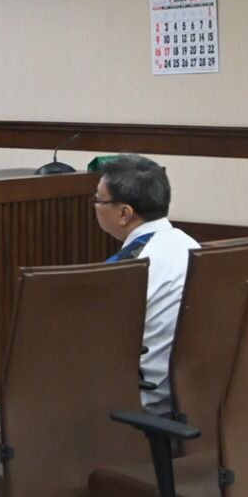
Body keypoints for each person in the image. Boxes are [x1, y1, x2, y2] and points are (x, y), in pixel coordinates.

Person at [94, 154, 200, 415]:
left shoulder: (127, 269)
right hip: (193, 399)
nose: (95, 206)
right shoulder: (193, 247)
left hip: (141, 402)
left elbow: (95, 346)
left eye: (98, 200)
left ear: (124, 213)